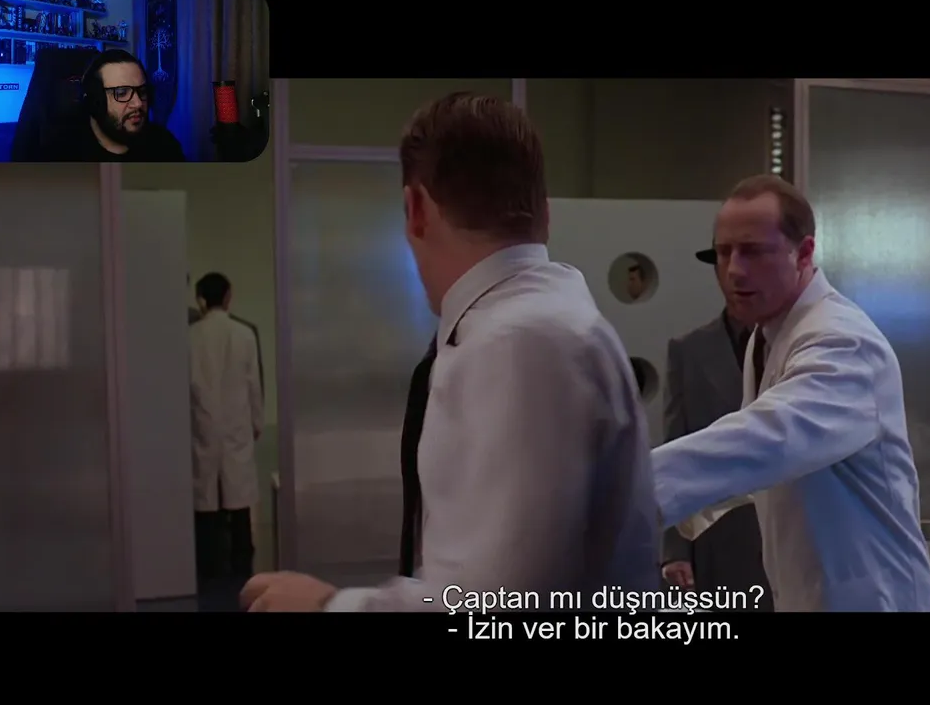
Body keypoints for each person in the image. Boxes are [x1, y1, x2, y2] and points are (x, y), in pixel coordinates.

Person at [241, 92, 659, 612]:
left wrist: (328, 606)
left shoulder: (523, 344)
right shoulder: (530, 329)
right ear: (546, 215)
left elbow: (500, 606)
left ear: (415, 209)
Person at [652, 174, 930, 612]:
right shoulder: (767, 337)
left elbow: (768, 439)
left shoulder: (844, 342)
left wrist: (625, 492)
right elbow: (756, 467)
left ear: (804, 253)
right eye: (723, 253)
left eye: (753, 252)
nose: (734, 270)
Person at [659, 244, 771, 610]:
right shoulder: (689, 350)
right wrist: (675, 549)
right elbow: (677, 444)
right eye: (724, 261)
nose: (737, 274)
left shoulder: (800, 344)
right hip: (719, 539)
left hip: (795, 535)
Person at [189, 272, 264, 586]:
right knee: (239, 497)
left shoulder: (190, 336)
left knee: (205, 496)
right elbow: (253, 384)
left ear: (201, 299)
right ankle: (242, 560)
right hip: (237, 422)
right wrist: (257, 422)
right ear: (228, 296)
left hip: (202, 422)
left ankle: (207, 563)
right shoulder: (244, 334)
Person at [39, 49, 185, 162]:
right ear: (95, 101)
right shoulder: (61, 153)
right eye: (122, 93)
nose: (138, 103)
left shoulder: (164, 144)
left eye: (142, 91)